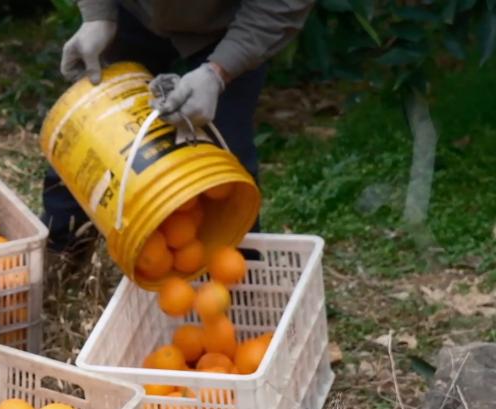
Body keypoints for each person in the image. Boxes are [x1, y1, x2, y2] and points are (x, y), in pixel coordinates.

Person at [42, 0, 314, 254]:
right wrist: (98, 15)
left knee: (223, 170)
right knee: (94, 140)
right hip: (133, 12)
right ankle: (59, 256)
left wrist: (219, 72)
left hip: (228, 25)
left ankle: (229, 276)